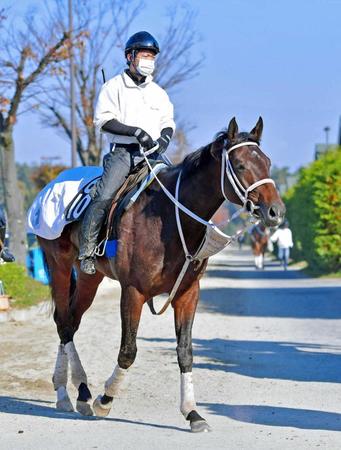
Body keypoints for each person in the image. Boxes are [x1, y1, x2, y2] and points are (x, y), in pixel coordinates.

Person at [79, 31, 175, 275]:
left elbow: (168, 121)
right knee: (104, 195)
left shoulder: (159, 93)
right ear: (130, 57)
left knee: (174, 191)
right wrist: (135, 132)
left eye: (152, 57)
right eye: (144, 55)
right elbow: (102, 121)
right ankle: (88, 251)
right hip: (123, 154)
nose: (149, 61)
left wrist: (164, 137)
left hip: (152, 156)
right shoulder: (113, 87)